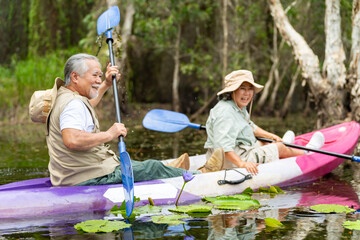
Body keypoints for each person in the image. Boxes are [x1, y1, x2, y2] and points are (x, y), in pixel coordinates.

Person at [46, 53, 224, 186]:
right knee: (153, 167)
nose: (98, 80)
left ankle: (174, 168)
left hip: (77, 172)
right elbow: (72, 139)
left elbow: (87, 105)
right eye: (94, 75)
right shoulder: (73, 104)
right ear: (75, 76)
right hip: (86, 177)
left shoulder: (67, 96)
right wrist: (109, 134)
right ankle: (203, 175)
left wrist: (106, 84)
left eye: (100, 75)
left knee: (137, 163)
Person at [204, 70, 325, 175]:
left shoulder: (236, 106)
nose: (247, 93)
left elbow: (249, 126)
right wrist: (242, 164)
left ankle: (286, 146)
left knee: (263, 141)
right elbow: (222, 146)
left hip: (237, 151)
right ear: (232, 91)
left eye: (250, 89)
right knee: (279, 147)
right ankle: (307, 151)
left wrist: (270, 136)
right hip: (227, 162)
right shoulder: (226, 113)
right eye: (242, 89)